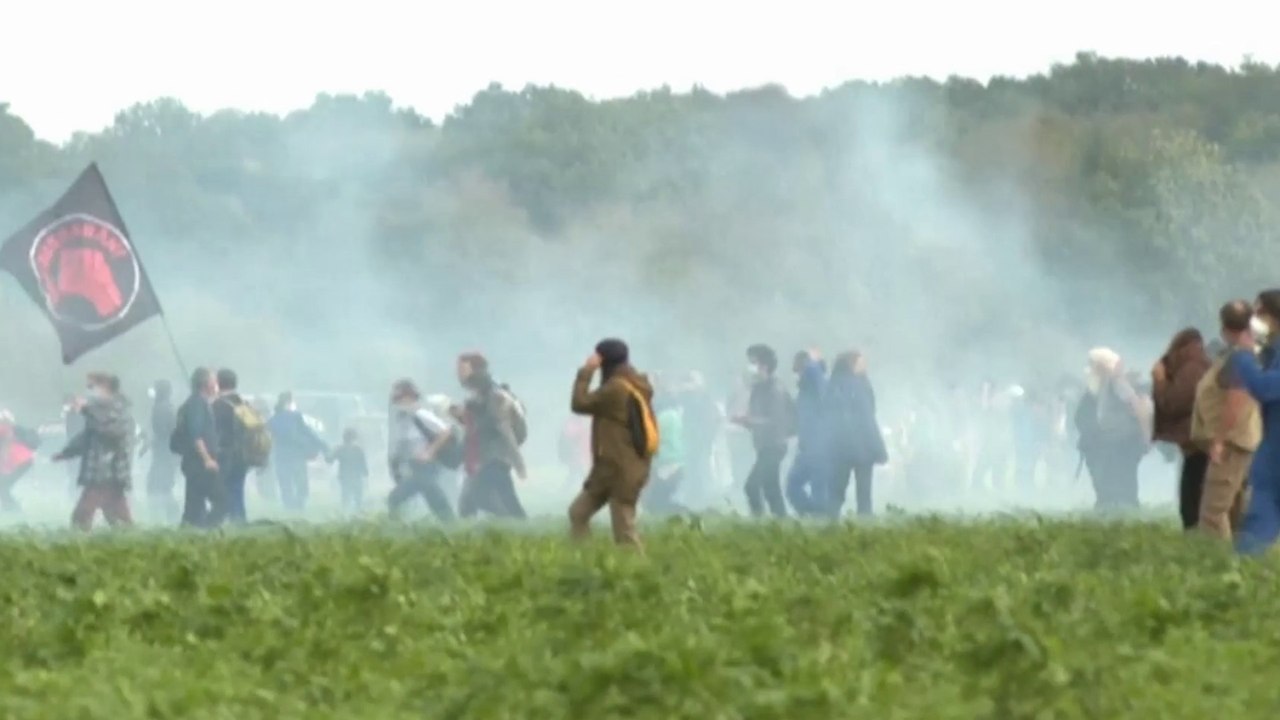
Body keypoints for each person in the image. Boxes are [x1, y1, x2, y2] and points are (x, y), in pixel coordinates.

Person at [567, 338, 656, 547]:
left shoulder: (617, 388)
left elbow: (580, 403)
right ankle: (583, 561)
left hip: (624, 468)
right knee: (578, 513)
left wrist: (587, 371)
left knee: (623, 528)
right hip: (609, 467)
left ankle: (636, 570)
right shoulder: (632, 381)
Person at [1191, 301, 1260, 540]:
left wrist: (1219, 440)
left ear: (1225, 328)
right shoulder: (1246, 354)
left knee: (1213, 513)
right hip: (1241, 440)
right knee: (1237, 509)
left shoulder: (1241, 358)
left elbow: (1235, 402)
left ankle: (1216, 567)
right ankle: (1249, 561)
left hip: (1231, 442)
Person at [1226, 290, 1280, 554]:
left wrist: (1243, 356)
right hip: (1271, 446)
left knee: (1261, 513)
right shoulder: (1271, 352)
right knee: (1260, 513)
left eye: (1260, 313)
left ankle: (1247, 565)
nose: (1254, 320)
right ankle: (1246, 568)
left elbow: (1266, 388)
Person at [52, 372, 135, 531]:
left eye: (92, 387)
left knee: (82, 515)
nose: (89, 392)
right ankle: (134, 543)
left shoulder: (119, 409)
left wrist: (87, 410)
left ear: (106, 388)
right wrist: (66, 452)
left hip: (108, 471)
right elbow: (88, 437)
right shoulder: (97, 413)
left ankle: (78, 546)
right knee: (117, 516)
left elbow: (112, 432)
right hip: (101, 472)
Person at [1075, 348, 1152, 511]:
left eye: (1092, 365)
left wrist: (1145, 438)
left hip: (1120, 442)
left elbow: (1138, 408)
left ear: (1102, 367)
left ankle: (1124, 513)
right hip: (1108, 443)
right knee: (1108, 483)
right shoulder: (1099, 387)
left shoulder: (1117, 383)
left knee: (1122, 483)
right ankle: (1111, 511)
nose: (1089, 370)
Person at [454, 354, 528, 520]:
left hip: (496, 456)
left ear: (476, 370)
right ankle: (513, 526)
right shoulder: (478, 395)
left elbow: (504, 430)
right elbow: (478, 425)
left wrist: (518, 464)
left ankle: (518, 527)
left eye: (463, 369)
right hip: (485, 456)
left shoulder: (495, 396)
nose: (458, 374)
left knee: (479, 498)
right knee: (474, 500)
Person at [1151, 328, 1212, 530]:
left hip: (1198, 441)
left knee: (1192, 498)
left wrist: (1160, 381)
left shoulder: (1192, 369)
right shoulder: (1197, 365)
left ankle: (1198, 539)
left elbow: (1175, 402)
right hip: (1196, 440)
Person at [824, 351, 888, 517]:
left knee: (836, 491)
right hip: (862, 447)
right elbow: (867, 418)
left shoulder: (832, 385)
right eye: (861, 362)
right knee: (864, 494)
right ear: (851, 364)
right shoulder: (860, 386)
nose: (865, 365)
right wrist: (879, 449)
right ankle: (864, 527)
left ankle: (830, 523)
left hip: (839, 447)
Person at [734, 344, 792, 517]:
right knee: (771, 489)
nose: (749, 368)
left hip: (774, 445)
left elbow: (776, 421)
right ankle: (781, 524)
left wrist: (748, 421)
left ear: (764, 366)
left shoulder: (775, 389)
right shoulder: (759, 387)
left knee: (751, 486)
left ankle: (759, 524)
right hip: (764, 445)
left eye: (752, 363)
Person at [387, 380, 456, 521]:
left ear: (409, 397)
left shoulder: (421, 414)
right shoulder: (403, 419)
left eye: (400, 398)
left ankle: (394, 531)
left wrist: (429, 452)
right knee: (436, 503)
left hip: (427, 467)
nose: (397, 402)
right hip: (416, 467)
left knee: (394, 499)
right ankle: (453, 529)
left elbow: (445, 431)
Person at [176, 368, 226, 528]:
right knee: (221, 501)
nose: (216, 383)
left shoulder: (200, 402)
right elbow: (196, 435)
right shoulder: (197, 404)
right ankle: (206, 531)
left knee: (193, 506)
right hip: (199, 463)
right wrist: (207, 459)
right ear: (205, 384)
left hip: (194, 462)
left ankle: (188, 534)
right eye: (213, 380)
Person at [786, 349, 829, 517]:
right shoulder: (805, 390)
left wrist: (814, 362)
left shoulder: (816, 380)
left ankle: (821, 520)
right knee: (793, 486)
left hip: (819, 446)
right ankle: (815, 516)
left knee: (817, 489)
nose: (796, 373)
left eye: (798, 369)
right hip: (807, 445)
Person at [268, 392, 326, 512]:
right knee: (301, 483)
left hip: (281, 456)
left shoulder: (272, 420)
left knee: (285, 484)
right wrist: (321, 445)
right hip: (296, 455)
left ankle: (289, 506)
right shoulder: (296, 416)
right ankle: (299, 505)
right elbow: (308, 433)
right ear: (288, 402)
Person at [212, 369, 250, 523]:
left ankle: (234, 522)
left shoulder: (219, 405)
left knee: (226, 490)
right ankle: (240, 520)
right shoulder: (243, 402)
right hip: (244, 454)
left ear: (218, 383)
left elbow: (214, 430)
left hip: (226, 454)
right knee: (237, 489)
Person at [144, 380, 180, 524]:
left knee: (157, 487)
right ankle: (169, 516)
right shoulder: (168, 407)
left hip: (164, 455)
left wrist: (155, 442)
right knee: (161, 487)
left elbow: (164, 432)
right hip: (167, 454)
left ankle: (167, 517)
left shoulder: (161, 408)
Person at [0, 411, 39, 514]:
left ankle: (14, 511)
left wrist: (4, 467)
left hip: (21, 461)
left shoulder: (4, 428)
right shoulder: (8, 427)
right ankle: (10, 509)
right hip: (24, 460)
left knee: (2, 487)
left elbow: (6, 445)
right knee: (3, 487)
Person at [326, 428, 370, 515]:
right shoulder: (358, 449)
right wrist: (365, 473)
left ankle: (346, 514)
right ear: (354, 438)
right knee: (357, 497)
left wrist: (326, 453)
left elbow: (329, 460)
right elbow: (363, 465)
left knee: (346, 496)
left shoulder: (340, 449)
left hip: (344, 477)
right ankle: (356, 513)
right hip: (355, 476)